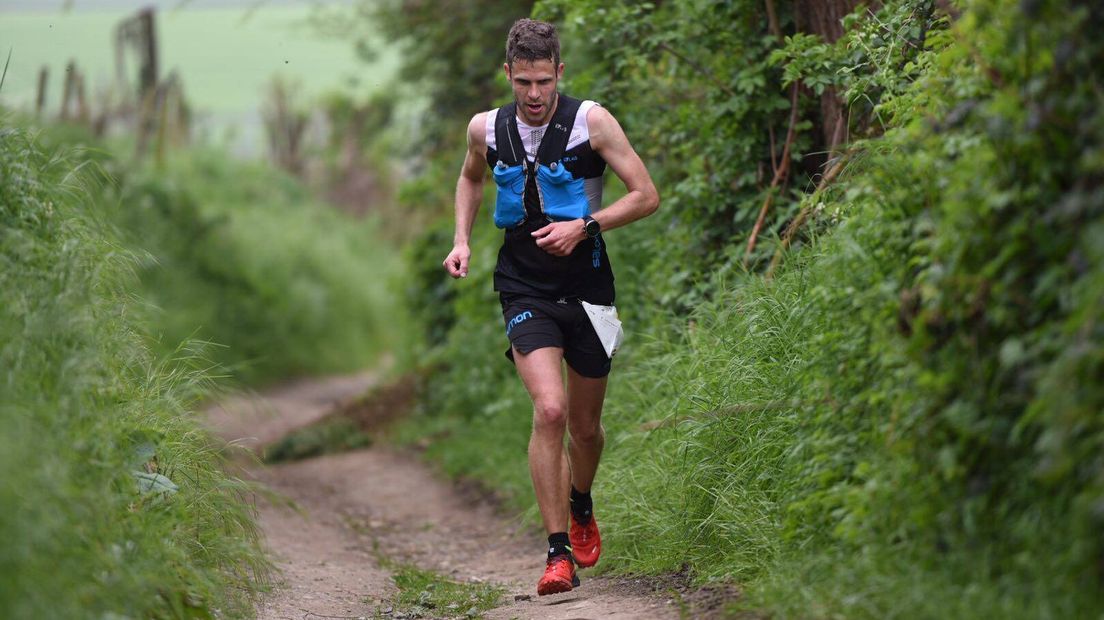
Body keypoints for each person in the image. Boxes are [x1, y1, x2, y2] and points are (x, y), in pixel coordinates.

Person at [442, 17, 659, 596]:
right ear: (507, 76)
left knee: (586, 430)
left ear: (559, 73)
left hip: (591, 288)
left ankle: (581, 501)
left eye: (543, 81)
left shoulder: (593, 122)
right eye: (523, 83)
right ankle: (557, 553)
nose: (534, 95)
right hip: (523, 287)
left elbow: (646, 195)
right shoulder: (485, 129)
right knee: (551, 411)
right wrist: (461, 239)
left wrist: (585, 225)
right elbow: (469, 179)